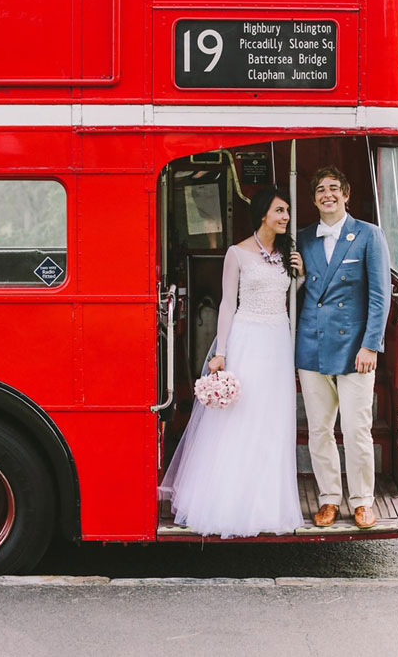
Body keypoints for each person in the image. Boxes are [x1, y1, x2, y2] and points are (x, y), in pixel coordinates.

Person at [159, 186, 304, 538]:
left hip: (277, 340)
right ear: (263, 215)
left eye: (286, 211)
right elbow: (227, 304)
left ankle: (267, 502)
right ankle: (229, 499)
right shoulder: (237, 253)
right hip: (247, 336)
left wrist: (299, 278)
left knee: (272, 419)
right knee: (241, 418)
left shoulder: (288, 254)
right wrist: (221, 351)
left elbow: (288, 297)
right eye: (280, 211)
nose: (286, 217)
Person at [295, 166, 391, 529]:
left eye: (334, 188)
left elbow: (380, 297)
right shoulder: (303, 238)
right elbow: (300, 290)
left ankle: (363, 500)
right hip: (312, 345)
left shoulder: (369, 235)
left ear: (346, 194)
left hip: (355, 351)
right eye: (320, 190)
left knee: (355, 429)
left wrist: (371, 346)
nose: (327, 195)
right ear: (314, 198)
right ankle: (329, 499)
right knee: (319, 429)